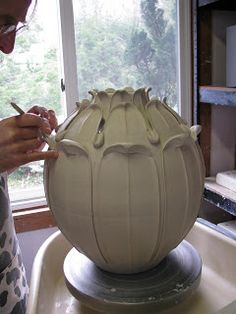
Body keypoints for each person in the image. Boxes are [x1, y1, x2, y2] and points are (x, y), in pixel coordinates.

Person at [0, 0, 59, 313]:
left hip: (11, 291)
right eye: (1, 23)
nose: (8, 47)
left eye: (14, 27)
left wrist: (14, 150)